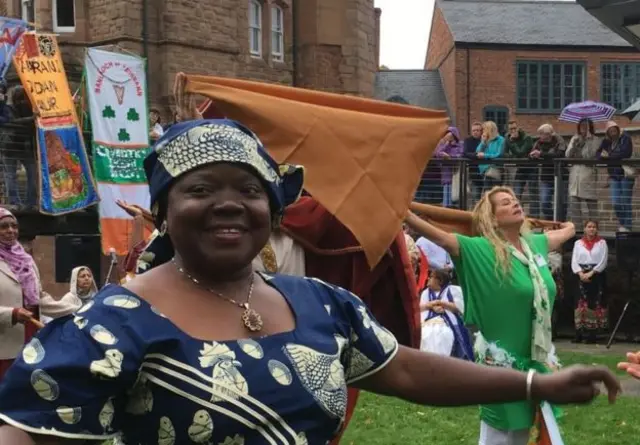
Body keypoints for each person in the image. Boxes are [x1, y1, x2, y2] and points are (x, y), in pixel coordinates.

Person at [0, 120, 620, 445]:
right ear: (163, 210)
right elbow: (28, 431)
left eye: (249, 190)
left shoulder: (319, 303)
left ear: (274, 210)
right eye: (199, 190)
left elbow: (403, 369)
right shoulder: (114, 322)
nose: (228, 204)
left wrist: (538, 381)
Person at [405, 186, 585, 445]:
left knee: (524, 430)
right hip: (499, 362)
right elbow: (443, 238)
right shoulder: (478, 249)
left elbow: (565, 233)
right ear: (492, 217)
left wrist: (568, 226)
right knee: (500, 434)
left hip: (537, 357)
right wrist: (406, 215)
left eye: (514, 200)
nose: (514, 204)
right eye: (504, 203)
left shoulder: (534, 244)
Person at [0, 208, 43, 380]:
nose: (10, 230)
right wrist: (13, 313)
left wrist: (77, 307)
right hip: (4, 345)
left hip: (31, 339)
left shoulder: (26, 259)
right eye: (3, 227)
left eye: (14, 226)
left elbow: (39, 296)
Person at [419, 268, 473, 360]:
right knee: (426, 335)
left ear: (439, 280)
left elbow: (459, 308)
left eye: (431, 277)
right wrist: (431, 305)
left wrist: (441, 303)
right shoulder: (425, 292)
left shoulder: (452, 289)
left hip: (447, 324)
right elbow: (419, 308)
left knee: (443, 335)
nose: (428, 278)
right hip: (427, 323)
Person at [571, 220, 608, 344]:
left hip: (596, 276)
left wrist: (592, 272)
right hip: (581, 275)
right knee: (580, 304)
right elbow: (574, 261)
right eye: (589, 227)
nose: (591, 229)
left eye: (594, 227)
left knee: (594, 304)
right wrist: (580, 273)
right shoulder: (578, 243)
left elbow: (603, 261)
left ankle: (592, 335)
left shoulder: (602, 243)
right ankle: (579, 334)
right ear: (585, 229)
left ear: (596, 229)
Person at [597, 121, 634, 232]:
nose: (613, 133)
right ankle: (623, 225)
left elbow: (625, 153)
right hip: (613, 175)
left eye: (614, 130)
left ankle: (628, 227)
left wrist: (608, 156)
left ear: (618, 130)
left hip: (625, 174)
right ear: (607, 133)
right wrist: (605, 156)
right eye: (610, 131)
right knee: (616, 202)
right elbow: (598, 154)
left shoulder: (625, 138)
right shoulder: (607, 142)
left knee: (625, 201)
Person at [566, 119, 599, 229]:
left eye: (586, 126)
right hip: (575, 175)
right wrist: (575, 145)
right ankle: (578, 230)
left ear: (590, 127)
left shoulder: (596, 140)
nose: (583, 128)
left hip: (587, 175)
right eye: (581, 126)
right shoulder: (574, 138)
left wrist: (588, 140)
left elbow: (590, 156)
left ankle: (594, 230)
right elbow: (568, 155)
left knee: (592, 206)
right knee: (574, 206)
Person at [531, 124, 566, 221]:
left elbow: (560, 154)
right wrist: (532, 156)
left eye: (542, 134)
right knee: (544, 203)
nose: (540, 136)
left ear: (548, 134)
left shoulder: (559, 141)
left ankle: (560, 224)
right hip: (545, 177)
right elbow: (531, 153)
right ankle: (551, 220)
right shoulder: (538, 143)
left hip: (560, 176)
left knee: (562, 203)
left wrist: (541, 154)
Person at [505, 121, 537, 218]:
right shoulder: (507, 138)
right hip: (520, 168)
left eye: (515, 128)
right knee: (516, 193)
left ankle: (533, 217)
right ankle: (518, 215)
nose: (513, 131)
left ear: (519, 128)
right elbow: (505, 153)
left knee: (533, 193)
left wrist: (512, 143)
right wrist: (514, 156)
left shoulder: (527, 138)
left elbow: (521, 152)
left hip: (531, 168)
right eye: (511, 129)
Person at [434, 127, 463, 208]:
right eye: (447, 134)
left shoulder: (460, 145)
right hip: (446, 173)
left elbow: (460, 155)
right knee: (446, 192)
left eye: (450, 135)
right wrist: (446, 144)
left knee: (455, 194)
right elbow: (438, 153)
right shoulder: (444, 144)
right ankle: (446, 209)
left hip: (455, 173)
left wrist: (450, 157)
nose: (449, 136)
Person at [476, 121, 505, 193]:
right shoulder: (485, 140)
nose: (483, 131)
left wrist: (485, 155)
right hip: (485, 170)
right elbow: (477, 152)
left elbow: (499, 154)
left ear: (490, 129)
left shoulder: (500, 140)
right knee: (487, 192)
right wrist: (483, 142)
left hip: (495, 169)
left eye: (484, 129)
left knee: (496, 192)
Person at [464, 121, 484, 202]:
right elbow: (465, 153)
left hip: (485, 171)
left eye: (477, 130)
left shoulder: (485, 139)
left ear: (481, 131)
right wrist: (477, 155)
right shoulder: (468, 140)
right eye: (473, 130)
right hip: (474, 172)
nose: (475, 132)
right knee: (476, 195)